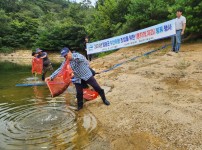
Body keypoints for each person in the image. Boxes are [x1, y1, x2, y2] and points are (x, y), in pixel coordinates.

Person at [45, 47, 110, 111]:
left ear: (69, 52)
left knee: (97, 87)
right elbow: (60, 69)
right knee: (79, 93)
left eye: (66, 55)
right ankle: (80, 107)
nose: (66, 57)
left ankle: (104, 99)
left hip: (86, 74)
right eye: (64, 56)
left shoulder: (77, 55)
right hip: (77, 78)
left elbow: (82, 59)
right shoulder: (66, 61)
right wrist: (51, 77)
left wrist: (72, 58)